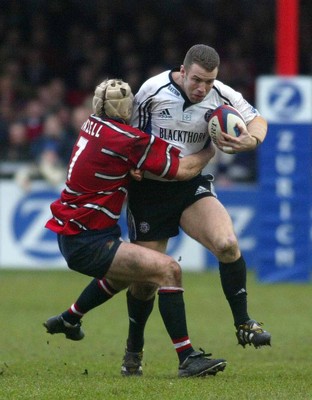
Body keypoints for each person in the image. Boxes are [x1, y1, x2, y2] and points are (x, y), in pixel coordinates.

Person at [43, 78, 227, 378]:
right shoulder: (126, 140)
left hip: (79, 233)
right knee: (168, 270)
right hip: (88, 241)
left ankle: (70, 318)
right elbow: (183, 169)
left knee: (129, 276)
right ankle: (187, 358)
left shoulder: (92, 125)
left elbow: (110, 161)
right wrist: (211, 147)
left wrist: (129, 170)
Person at [119, 44, 272, 375]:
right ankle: (134, 348)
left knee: (227, 243)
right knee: (146, 281)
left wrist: (252, 141)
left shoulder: (221, 94)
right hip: (150, 190)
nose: (203, 88)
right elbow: (128, 134)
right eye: (197, 80)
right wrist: (129, 165)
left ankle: (244, 322)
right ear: (183, 71)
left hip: (190, 187)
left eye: (210, 81)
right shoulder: (153, 90)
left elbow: (258, 120)